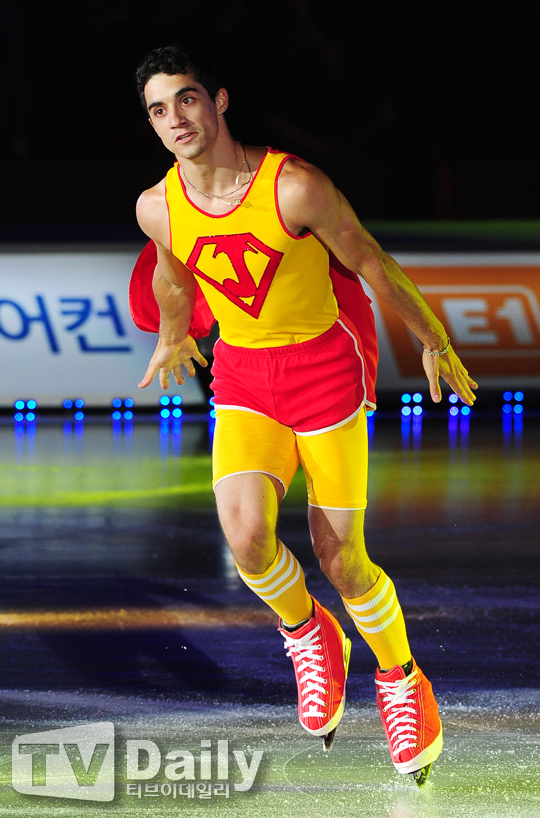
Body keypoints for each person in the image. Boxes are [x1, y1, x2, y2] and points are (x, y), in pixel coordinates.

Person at [132, 44, 477, 786]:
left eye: (186, 98)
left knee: (340, 558)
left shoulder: (294, 187)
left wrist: (432, 336)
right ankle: (309, 632)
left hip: (325, 370)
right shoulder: (156, 206)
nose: (175, 118)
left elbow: (369, 259)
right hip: (244, 376)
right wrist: (172, 335)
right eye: (158, 109)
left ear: (219, 100)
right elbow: (171, 271)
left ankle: (402, 679)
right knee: (247, 541)